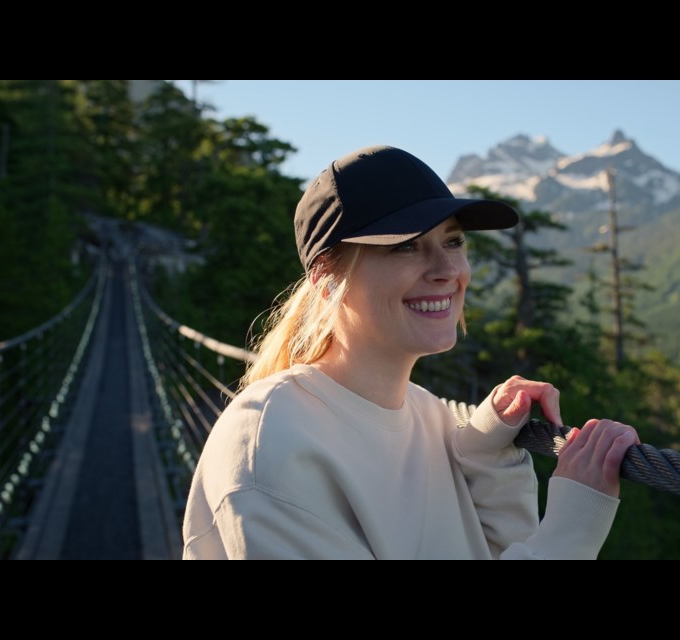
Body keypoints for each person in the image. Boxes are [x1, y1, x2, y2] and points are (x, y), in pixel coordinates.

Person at [181, 144, 639, 559]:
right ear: (325, 277)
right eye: (405, 246)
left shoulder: (432, 417)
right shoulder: (271, 446)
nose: (446, 270)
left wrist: (487, 458)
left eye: (453, 241)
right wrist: (570, 532)